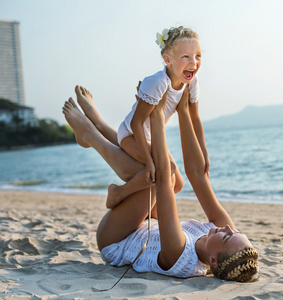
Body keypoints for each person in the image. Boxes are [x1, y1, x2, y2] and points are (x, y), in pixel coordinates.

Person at [62, 85, 259, 282]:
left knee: (158, 175)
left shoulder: (179, 255)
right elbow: (198, 174)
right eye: (235, 231)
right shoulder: (220, 232)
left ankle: (90, 134)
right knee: (175, 180)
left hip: (116, 238)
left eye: (227, 236)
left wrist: (157, 111)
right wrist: (183, 111)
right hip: (146, 221)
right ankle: (99, 127)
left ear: (213, 262)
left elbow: (162, 177)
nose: (227, 228)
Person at [106, 25, 209, 209]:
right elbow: (137, 122)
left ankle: (146, 204)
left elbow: (194, 120)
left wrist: (204, 154)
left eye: (198, 56)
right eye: (186, 56)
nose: (193, 62)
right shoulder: (158, 83)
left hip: (153, 137)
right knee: (165, 170)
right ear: (168, 59)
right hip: (130, 134)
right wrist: (148, 161)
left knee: (178, 184)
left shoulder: (191, 82)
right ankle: (119, 192)